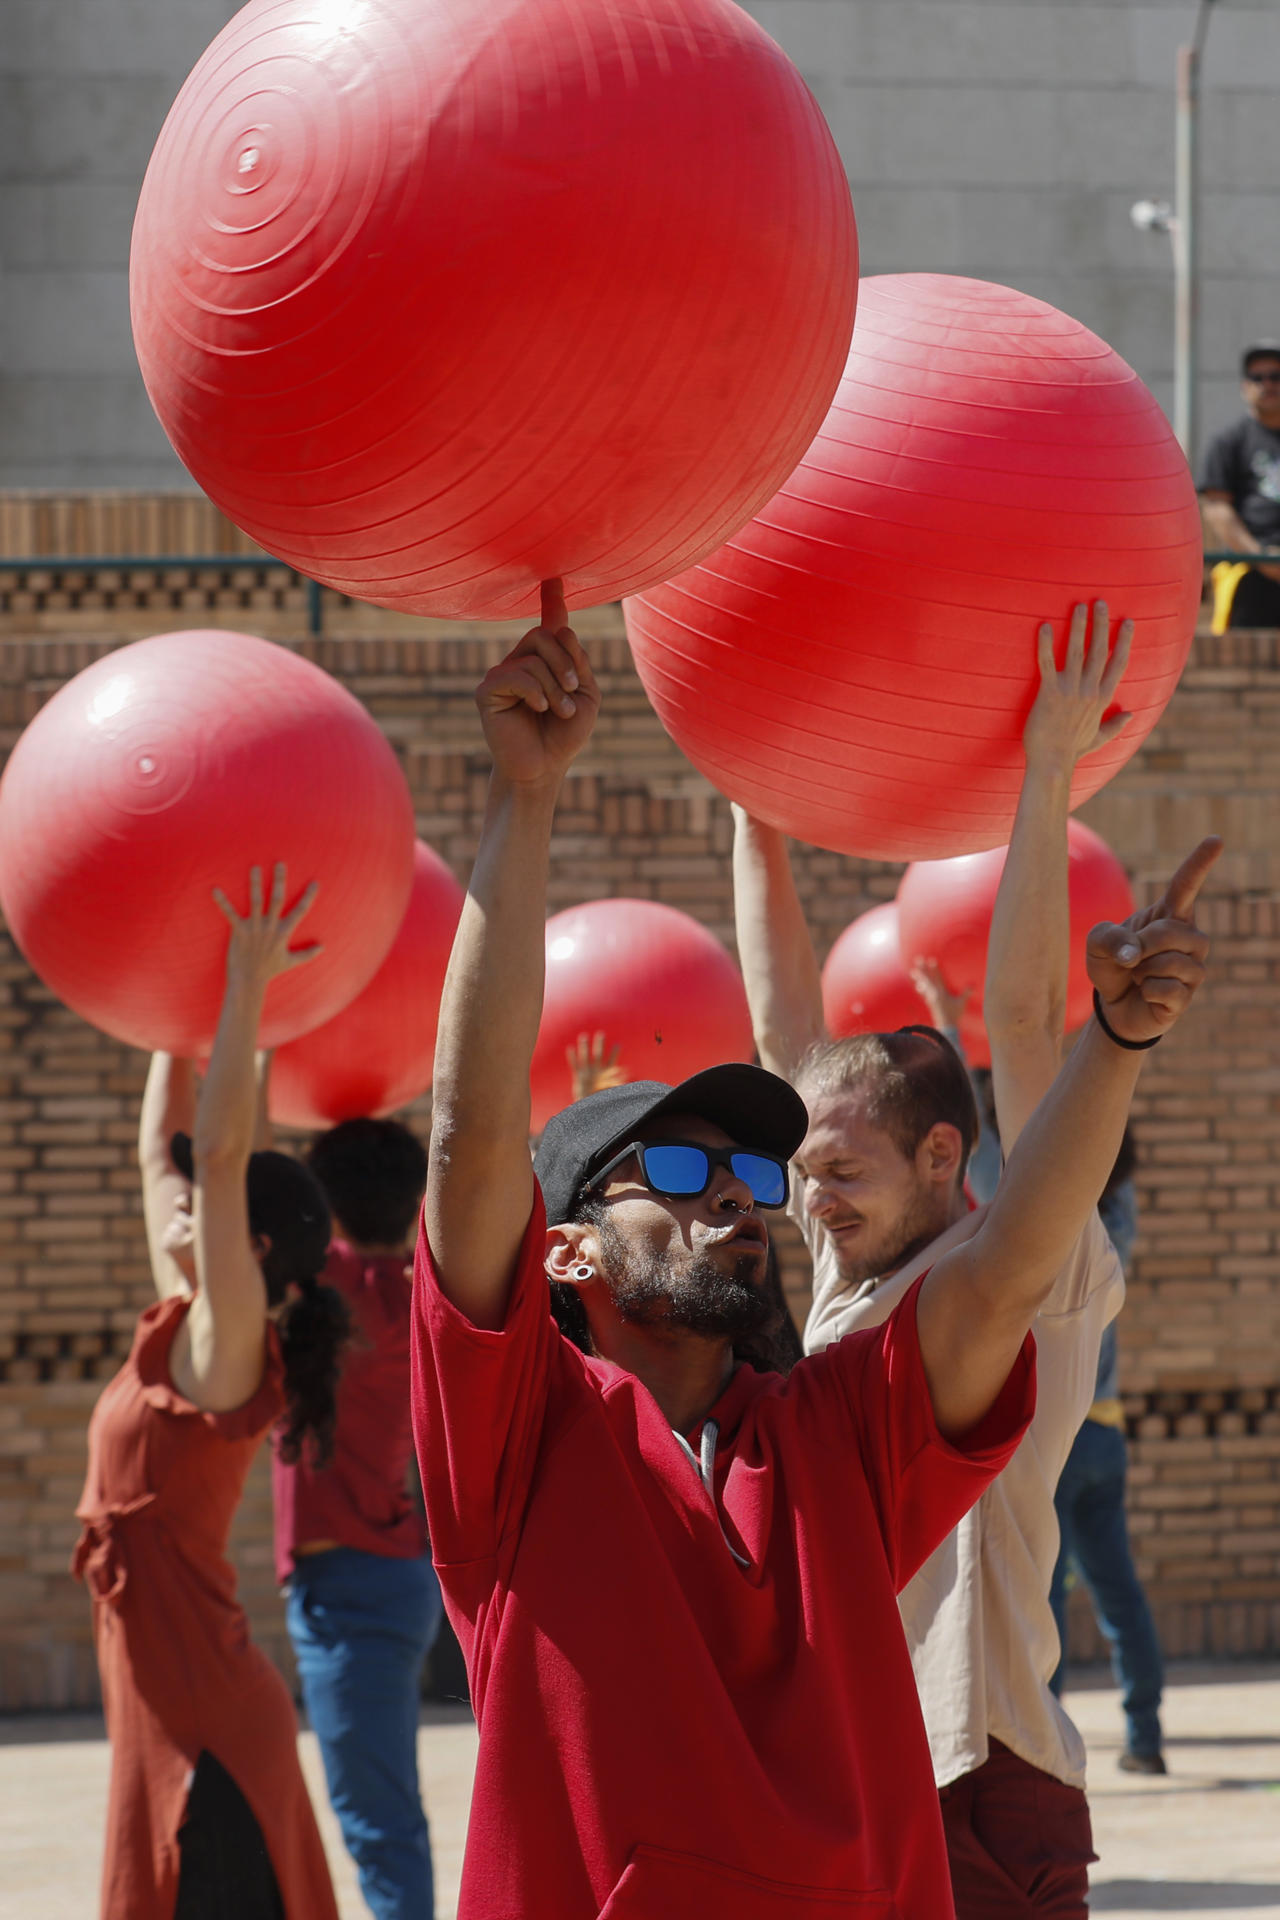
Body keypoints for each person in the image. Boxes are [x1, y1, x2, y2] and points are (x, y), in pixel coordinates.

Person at [410, 583, 1212, 1920]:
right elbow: (469, 1142)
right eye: (673, 1170)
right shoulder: (519, 1445)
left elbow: (1014, 1258)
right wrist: (527, 803)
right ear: (563, 1258)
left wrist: (1113, 1046)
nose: (731, 1193)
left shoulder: (831, 1430)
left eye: (741, 1170)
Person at [733, 602, 1219, 1917]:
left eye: (844, 1171)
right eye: (809, 1172)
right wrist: (753, 816)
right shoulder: (850, 1282)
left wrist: (1046, 765)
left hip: (981, 1772)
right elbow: (783, 1030)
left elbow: (1024, 1024)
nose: (811, 1196)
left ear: (947, 1160)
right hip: (848, 1759)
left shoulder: (1025, 1272)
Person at [75, 865, 345, 1920]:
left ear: (255, 1246)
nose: (181, 1197)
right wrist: (172, 1011)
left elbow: (221, 1154)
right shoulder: (180, 1320)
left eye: (207, 1196)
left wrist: (248, 979)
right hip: (170, 1725)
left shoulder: (229, 1346)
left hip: (214, 1747)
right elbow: (164, 1151)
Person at [272, 1116, 443, 1920]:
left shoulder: (325, 1286)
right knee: (382, 1807)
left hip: (352, 1593)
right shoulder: (420, 1293)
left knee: (377, 1819)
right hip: (391, 1578)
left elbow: (245, 1176)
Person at [1050, 1128, 1167, 1774]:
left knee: (1046, 1596)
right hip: (1107, 1434)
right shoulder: (1114, 1228)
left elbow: (987, 1167)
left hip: (1060, 1437)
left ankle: (1046, 1751)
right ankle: (1145, 1738)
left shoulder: (1051, 1233)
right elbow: (1117, 1173)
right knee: (1118, 1590)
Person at [1198, 341, 1280, 631]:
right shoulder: (1229, 441)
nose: (1267, 384)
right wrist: (1259, 556)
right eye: (1258, 377)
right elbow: (1217, 508)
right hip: (1250, 570)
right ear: (1245, 386)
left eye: (1275, 376)